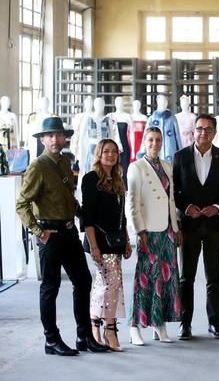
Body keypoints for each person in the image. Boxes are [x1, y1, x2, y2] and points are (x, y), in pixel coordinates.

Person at [15, 116, 109, 356]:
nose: (55, 139)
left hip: (69, 232)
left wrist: (85, 215)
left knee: (83, 281)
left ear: (64, 138)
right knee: (50, 287)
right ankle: (51, 340)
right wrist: (38, 232)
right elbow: (22, 204)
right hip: (50, 234)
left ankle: (84, 336)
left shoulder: (66, 162)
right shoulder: (38, 166)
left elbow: (69, 198)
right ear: (43, 139)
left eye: (58, 135)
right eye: (50, 136)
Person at [173, 114, 219, 339]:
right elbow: (174, 191)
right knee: (186, 278)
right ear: (193, 131)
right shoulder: (180, 157)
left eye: (208, 129)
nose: (203, 133)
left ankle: (214, 323)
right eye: (199, 129)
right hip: (188, 226)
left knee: (213, 277)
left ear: (214, 133)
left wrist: (218, 207)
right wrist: (187, 206)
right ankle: (185, 324)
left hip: (215, 226)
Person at [127, 127, 182, 345]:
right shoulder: (136, 167)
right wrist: (139, 231)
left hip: (167, 231)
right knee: (145, 279)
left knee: (166, 279)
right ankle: (134, 327)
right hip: (148, 231)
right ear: (144, 142)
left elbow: (171, 202)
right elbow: (133, 204)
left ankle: (159, 325)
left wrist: (176, 229)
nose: (154, 143)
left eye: (158, 140)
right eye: (150, 139)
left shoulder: (167, 167)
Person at [82, 139, 132, 352]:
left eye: (114, 151)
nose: (110, 155)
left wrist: (127, 240)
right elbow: (87, 217)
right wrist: (94, 247)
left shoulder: (117, 179)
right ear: (99, 154)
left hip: (116, 241)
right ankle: (109, 329)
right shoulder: (91, 178)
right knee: (113, 282)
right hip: (100, 242)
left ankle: (95, 325)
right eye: (106, 151)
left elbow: (122, 217)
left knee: (103, 284)